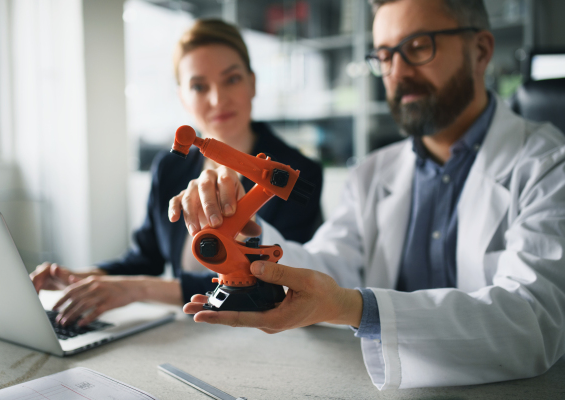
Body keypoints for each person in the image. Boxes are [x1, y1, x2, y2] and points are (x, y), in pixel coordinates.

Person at [177, 0, 565, 390]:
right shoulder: (372, 173)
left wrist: (356, 309)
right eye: (384, 55)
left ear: (480, 51)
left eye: (417, 47)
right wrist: (246, 236)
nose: (397, 72)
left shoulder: (549, 165)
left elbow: (533, 321)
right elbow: (329, 265)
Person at [30, 19, 323, 328]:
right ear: (182, 96)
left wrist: (140, 289)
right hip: (185, 331)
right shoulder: (170, 168)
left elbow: (289, 282)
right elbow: (145, 259)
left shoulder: (293, 175)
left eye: (232, 79)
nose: (217, 99)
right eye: (198, 86)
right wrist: (84, 277)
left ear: (252, 83)